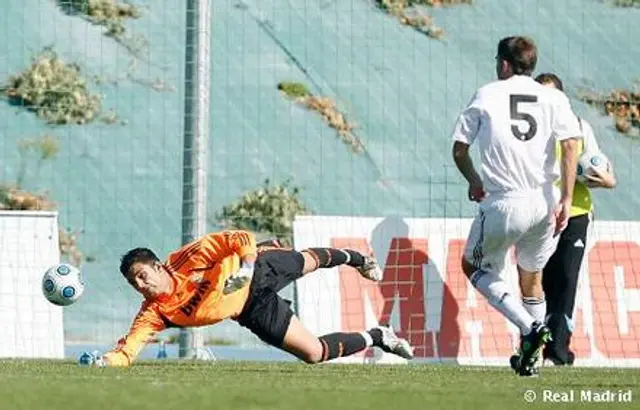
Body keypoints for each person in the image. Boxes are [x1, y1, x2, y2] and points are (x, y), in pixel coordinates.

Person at [78, 230, 414, 367]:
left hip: (256, 269)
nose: (140, 285)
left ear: (157, 266)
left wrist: (248, 262)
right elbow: (129, 349)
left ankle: (357, 258)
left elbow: (238, 237)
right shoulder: (154, 312)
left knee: (308, 261)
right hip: (251, 309)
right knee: (313, 354)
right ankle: (379, 335)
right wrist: (106, 362)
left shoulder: (188, 258)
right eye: (133, 282)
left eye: (142, 275)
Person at [451, 36, 582, 376]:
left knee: (473, 267)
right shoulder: (554, 97)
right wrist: (567, 198)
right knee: (532, 277)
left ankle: (529, 327)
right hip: (545, 202)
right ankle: (531, 359)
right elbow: (571, 145)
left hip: (505, 200)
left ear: (505, 64)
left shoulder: (488, 92)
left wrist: (474, 181)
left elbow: (459, 149)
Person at [535, 73, 616, 365]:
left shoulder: (581, 127)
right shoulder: (530, 130)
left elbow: (597, 166)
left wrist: (606, 180)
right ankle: (532, 343)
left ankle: (557, 352)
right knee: (539, 281)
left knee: (567, 280)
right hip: (539, 214)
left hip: (577, 213)